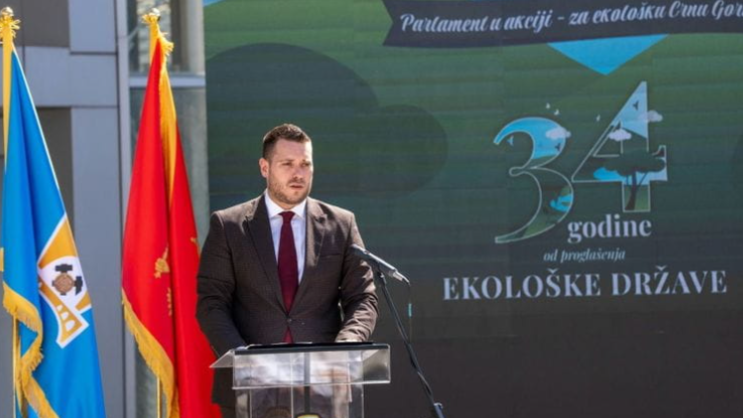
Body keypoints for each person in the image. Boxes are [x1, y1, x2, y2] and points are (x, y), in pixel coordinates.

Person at [196, 123, 379, 417]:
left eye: (305, 164)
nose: (298, 173)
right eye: (287, 164)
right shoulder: (228, 226)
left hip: (324, 388)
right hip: (249, 391)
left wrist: (343, 350)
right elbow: (211, 303)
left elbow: (363, 298)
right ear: (264, 167)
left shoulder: (341, 224)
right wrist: (244, 360)